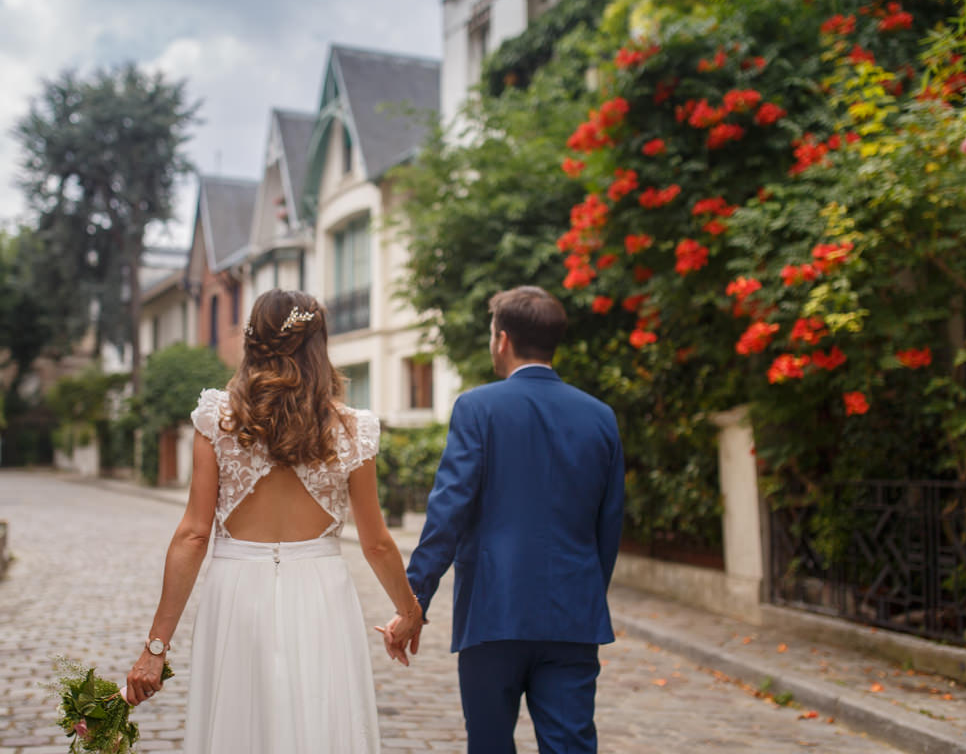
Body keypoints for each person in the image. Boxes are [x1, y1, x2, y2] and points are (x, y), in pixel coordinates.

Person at [125, 289, 423, 753]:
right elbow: (378, 544)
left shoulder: (218, 422)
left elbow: (193, 533)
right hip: (322, 595)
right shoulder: (352, 430)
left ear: (251, 341)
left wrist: (156, 649)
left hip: (237, 595)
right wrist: (409, 611)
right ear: (318, 346)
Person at [383, 285, 625, 754]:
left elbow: (448, 511)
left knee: (489, 744)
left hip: (493, 612)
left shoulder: (478, 408)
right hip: (572, 616)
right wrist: (587, 592)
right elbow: (609, 523)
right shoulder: (600, 417)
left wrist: (412, 602)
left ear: (502, 339)